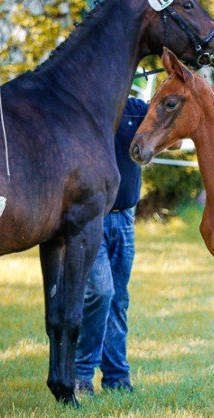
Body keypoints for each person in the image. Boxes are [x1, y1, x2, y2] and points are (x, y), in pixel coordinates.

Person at [74, 97, 148, 394]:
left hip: (125, 220)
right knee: (101, 291)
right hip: (92, 219)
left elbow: (175, 140)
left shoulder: (139, 109)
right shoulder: (89, 105)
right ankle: (80, 373)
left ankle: (117, 378)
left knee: (118, 299)